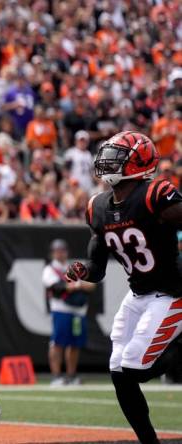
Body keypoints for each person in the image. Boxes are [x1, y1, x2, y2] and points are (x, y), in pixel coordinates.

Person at [66, 131, 182, 444]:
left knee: (134, 366)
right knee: (118, 369)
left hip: (171, 294)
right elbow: (97, 268)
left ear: (139, 162)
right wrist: (83, 270)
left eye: (117, 155)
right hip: (139, 294)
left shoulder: (154, 193)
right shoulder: (98, 207)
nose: (107, 161)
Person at [42, 239, 95, 387]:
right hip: (61, 310)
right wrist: (77, 284)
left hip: (78, 311)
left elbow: (91, 285)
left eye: (63, 250)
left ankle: (71, 375)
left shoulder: (73, 267)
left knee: (75, 344)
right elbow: (57, 287)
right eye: (57, 251)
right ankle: (56, 376)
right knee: (58, 343)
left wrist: (73, 285)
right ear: (52, 253)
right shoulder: (50, 270)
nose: (60, 253)